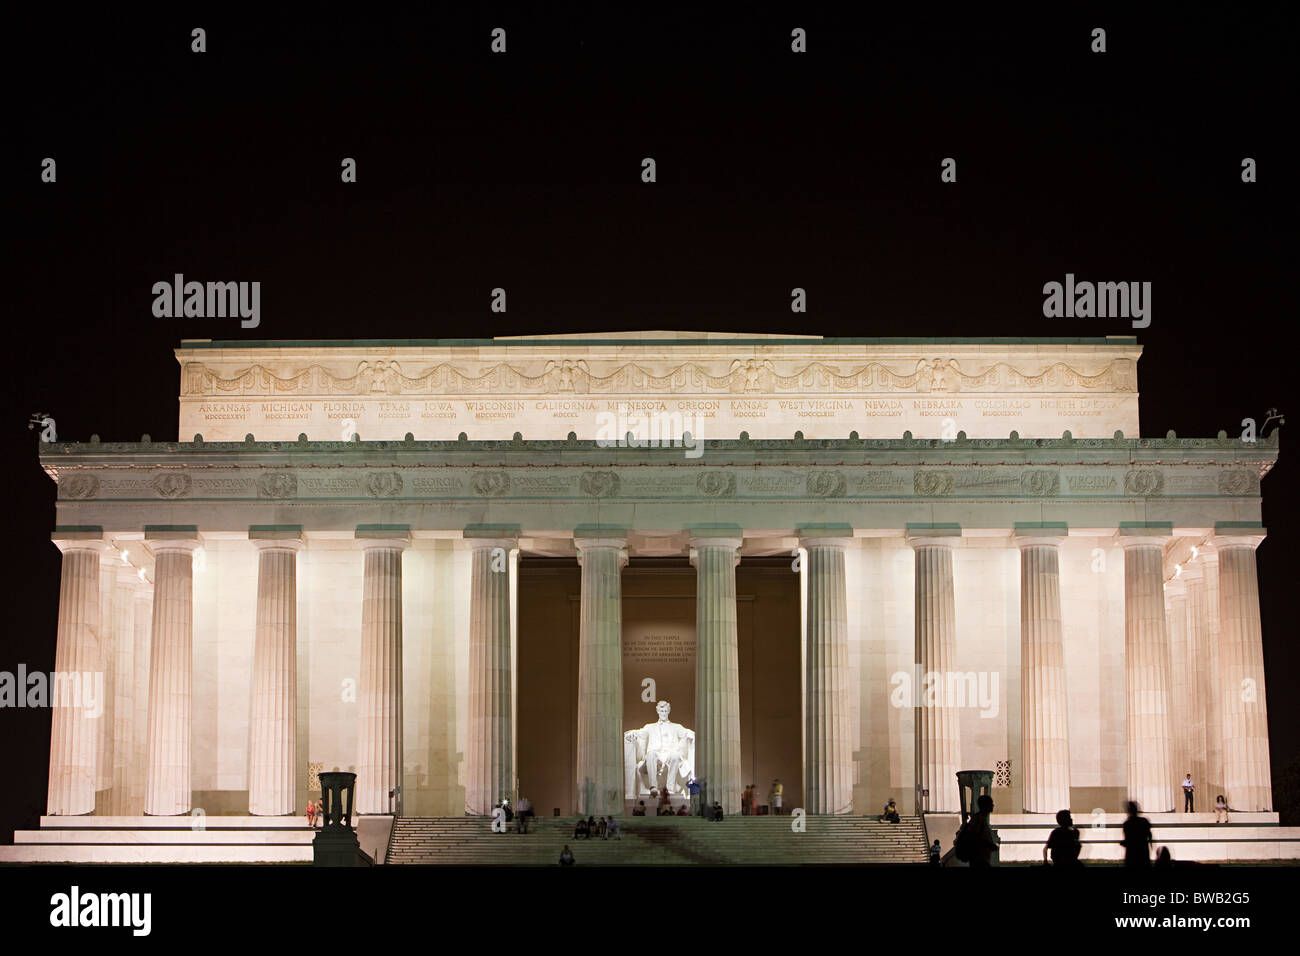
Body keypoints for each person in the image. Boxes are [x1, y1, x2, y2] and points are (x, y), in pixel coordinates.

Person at [961, 794, 999, 867]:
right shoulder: (978, 819)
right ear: (985, 806)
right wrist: (989, 844)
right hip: (978, 858)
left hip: (981, 858)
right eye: (990, 803)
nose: (992, 805)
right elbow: (975, 836)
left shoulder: (982, 819)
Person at [1121, 801, 1153, 867]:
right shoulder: (1144, 821)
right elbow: (1149, 835)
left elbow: (1128, 841)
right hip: (1143, 853)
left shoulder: (1127, 824)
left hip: (1131, 855)